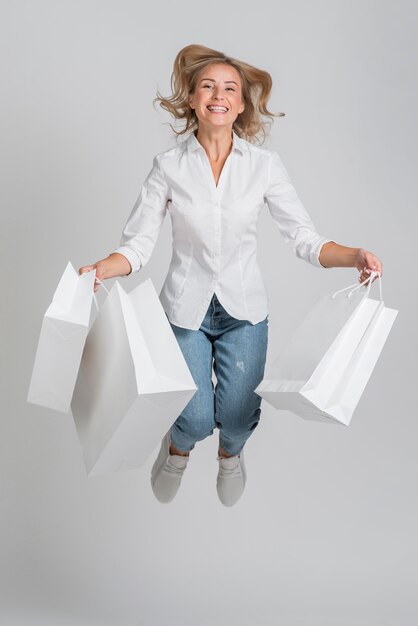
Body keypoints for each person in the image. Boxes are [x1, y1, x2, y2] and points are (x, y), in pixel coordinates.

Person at [79, 44, 383, 507]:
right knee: (197, 417)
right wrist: (103, 268)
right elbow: (138, 245)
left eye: (229, 88)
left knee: (239, 418)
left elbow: (304, 238)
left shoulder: (264, 167)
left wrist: (354, 255)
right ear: (193, 99)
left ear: (241, 104)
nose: (218, 95)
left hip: (245, 313)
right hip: (184, 313)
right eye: (208, 86)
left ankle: (231, 453)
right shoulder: (168, 167)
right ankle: (178, 449)